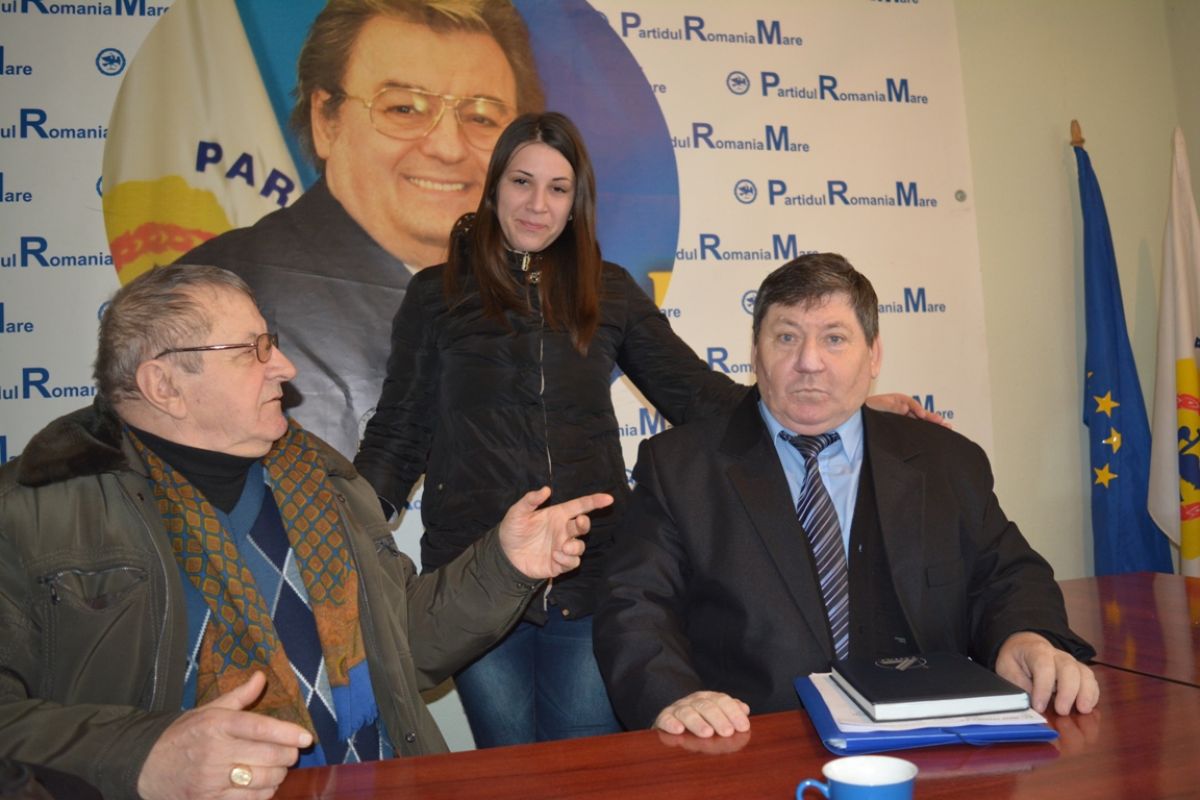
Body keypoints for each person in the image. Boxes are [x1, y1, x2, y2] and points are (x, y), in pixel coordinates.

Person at [352, 114, 941, 748]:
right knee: (510, 766)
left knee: (596, 769)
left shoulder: (609, 290)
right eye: (522, 181)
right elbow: (400, 431)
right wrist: (343, 527)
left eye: (558, 188)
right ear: (494, 187)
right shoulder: (435, 294)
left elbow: (695, 394)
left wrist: (835, 407)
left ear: (577, 202)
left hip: (590, 575)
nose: (537, 203)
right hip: (477, 578)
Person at [0, 265, 612, 800]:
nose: (284, 368)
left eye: (272, 343)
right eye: (253, 350)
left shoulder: (322, 478)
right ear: (164, 385)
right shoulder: (34, 517)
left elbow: (402, 647)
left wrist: (503, 566)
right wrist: (140, 756)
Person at [593, 253, 1101, 738]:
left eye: (834, 338)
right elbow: (636, 606)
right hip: (750, 742)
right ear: (755, 353)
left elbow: (1007, 575)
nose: (808, 361)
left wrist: (1024, 636)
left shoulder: (947, 461)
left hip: (928, 737)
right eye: (786, 337)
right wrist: (676, 697)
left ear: (874, 355)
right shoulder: (680, 467)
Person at [180, 0, 545, 458]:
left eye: (481, 117)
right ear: (325, 121)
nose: (448, 148)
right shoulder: (218, 297)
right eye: (404, 109)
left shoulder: (533, 295)